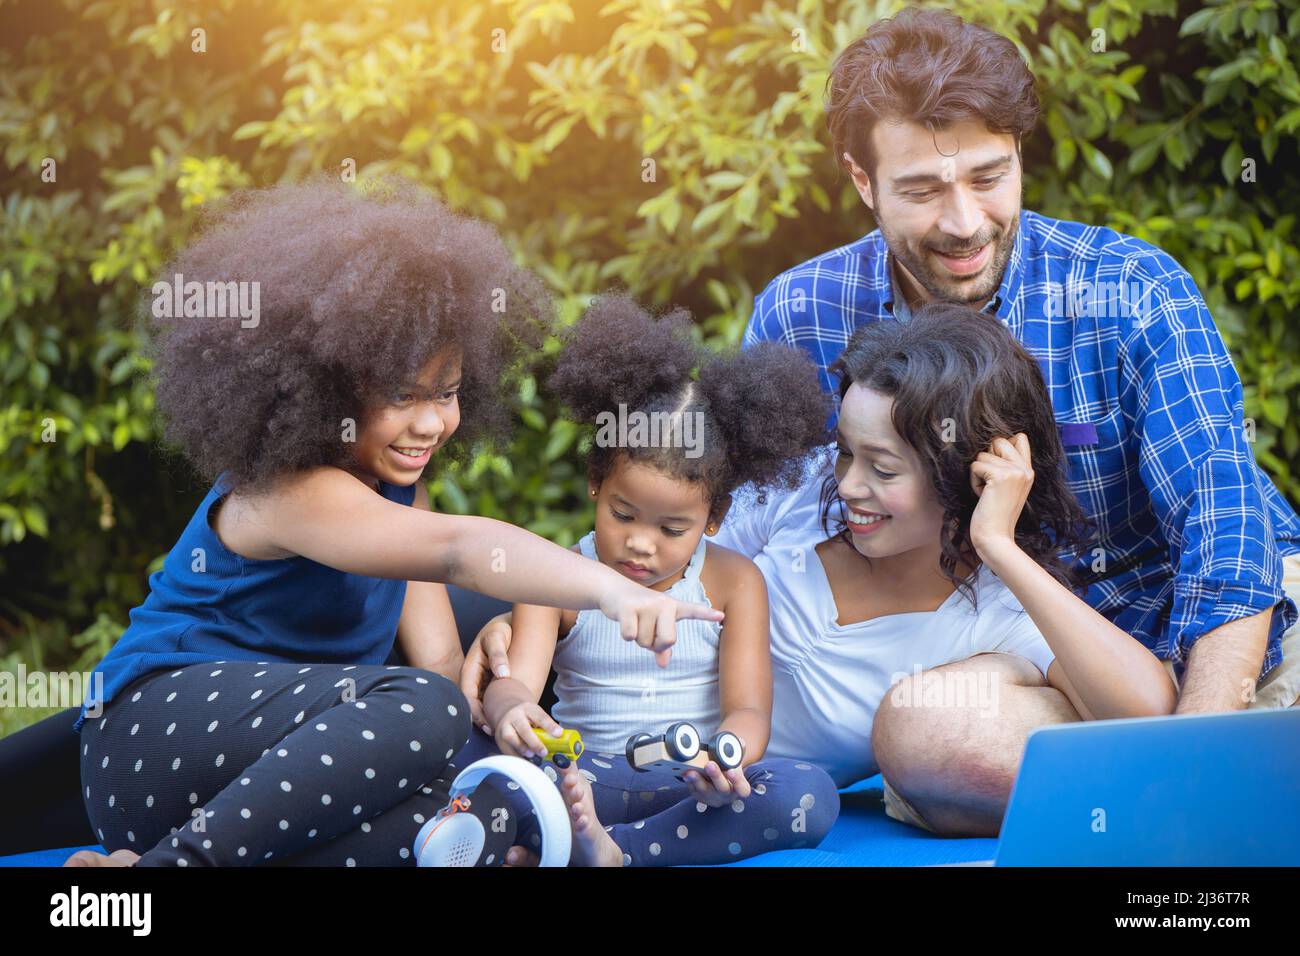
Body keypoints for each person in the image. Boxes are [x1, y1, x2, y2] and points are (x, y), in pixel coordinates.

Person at [64, 180, 722, 868]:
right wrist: (614, 591)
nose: (432, 422)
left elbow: (439, 664)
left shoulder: (399, 496)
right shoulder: (287, 492)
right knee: (423, 708)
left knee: (492, 809)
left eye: (448, 392)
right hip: (152, 743)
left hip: (254, 792)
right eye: (402, 395)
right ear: (323, 386)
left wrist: (507, 716)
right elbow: (462, 551)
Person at [745, 7, 1300, 716]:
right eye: (921, 191)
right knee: (929, 737)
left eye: (988, 176)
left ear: (1018, 154)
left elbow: (1224, 521)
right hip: (1007, 644)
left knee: (1243, 787)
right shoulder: (800, 315)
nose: (964, 222)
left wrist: (1199, 739)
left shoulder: (1132, 289)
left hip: (1222, 623)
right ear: (863, 181)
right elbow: (744, 529)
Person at [466, 304, 1178, 845]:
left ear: (965, 477)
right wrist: (534, 615)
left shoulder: (993, 609)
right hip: (596, 696)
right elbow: (654, 545)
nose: (848, 486)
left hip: (718, 781)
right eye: (845, 452)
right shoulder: (801, 496)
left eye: (884, 469)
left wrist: (998, 543)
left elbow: (1150, 710)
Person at [450, 293, 839, 866]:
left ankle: (608, 853)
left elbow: (749, 711)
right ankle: (568, 841)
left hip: (689, 791)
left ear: (716, 517)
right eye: (623, 514)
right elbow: (516, 681)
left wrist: (726, 759)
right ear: (595, 481)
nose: (640, 542)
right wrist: (511, 712)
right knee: (463, 749)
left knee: (808, 793)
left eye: (672, 528)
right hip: (582, 777)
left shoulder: (735, 582)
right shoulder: (557, 575)